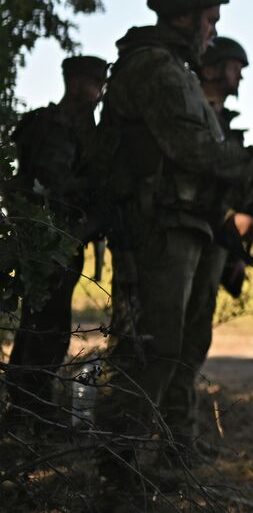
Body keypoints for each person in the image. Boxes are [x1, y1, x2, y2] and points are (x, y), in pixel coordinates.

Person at [94, 0, 253, 486]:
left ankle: (142, 460)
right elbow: (193, 150)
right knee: (148, 349)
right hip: (158, 226)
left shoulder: (170, 68)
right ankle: (119, 469)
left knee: (166, 348)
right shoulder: (157, 67)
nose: (213, 32)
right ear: (183, 16)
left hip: (178, 223)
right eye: (209, 20)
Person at [158, 35, 253, 459]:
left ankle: (178, 441)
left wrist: (237, 249)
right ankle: (150, 445)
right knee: (166, 343)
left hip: (212, 242)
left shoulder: (221, 121)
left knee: (192, 344)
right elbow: (193, 175)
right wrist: (231, 219)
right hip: (182, 235)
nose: (239, 75)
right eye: (234, 66)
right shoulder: (193, 117)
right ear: (212, 68)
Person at [4, 54, 108, 429]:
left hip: (55, 239)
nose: (98, 93)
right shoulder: (60, 127)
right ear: (78, 83)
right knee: (46, 327)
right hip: (52, 241)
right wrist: (96, 191)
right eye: (95, 85)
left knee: (44, 324)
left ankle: (30, 404)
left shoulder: (68, 126)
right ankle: (29, 407)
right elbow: (55, 186)